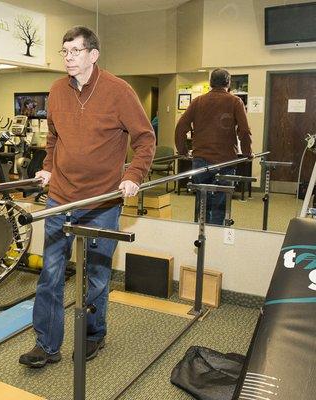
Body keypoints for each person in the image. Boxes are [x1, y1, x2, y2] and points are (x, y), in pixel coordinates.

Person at [18, 26, 156, 368]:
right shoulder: (56, 90)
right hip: (61, 197)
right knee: (50, 273)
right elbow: (53, 137)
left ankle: (93, 334)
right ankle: (46, 345)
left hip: (102, 202)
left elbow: (145, 139)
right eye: (65, 52)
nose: (68, 58)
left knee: (96, 274)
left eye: (75, 52)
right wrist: (48, 167)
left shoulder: (118, 91)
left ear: (93, 55)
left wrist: (133, 176)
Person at [175, 68, 253, 225]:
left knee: (202, 199)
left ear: (210, 83)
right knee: (220, 202)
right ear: (228, 83)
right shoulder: (235, 101)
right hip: (225, 161)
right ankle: (216, 234)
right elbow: (244, 130)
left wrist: (183, 151)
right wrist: (247, 153)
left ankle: (200, 230)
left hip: (200, 159)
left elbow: (181, 126)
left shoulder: (198, 101)